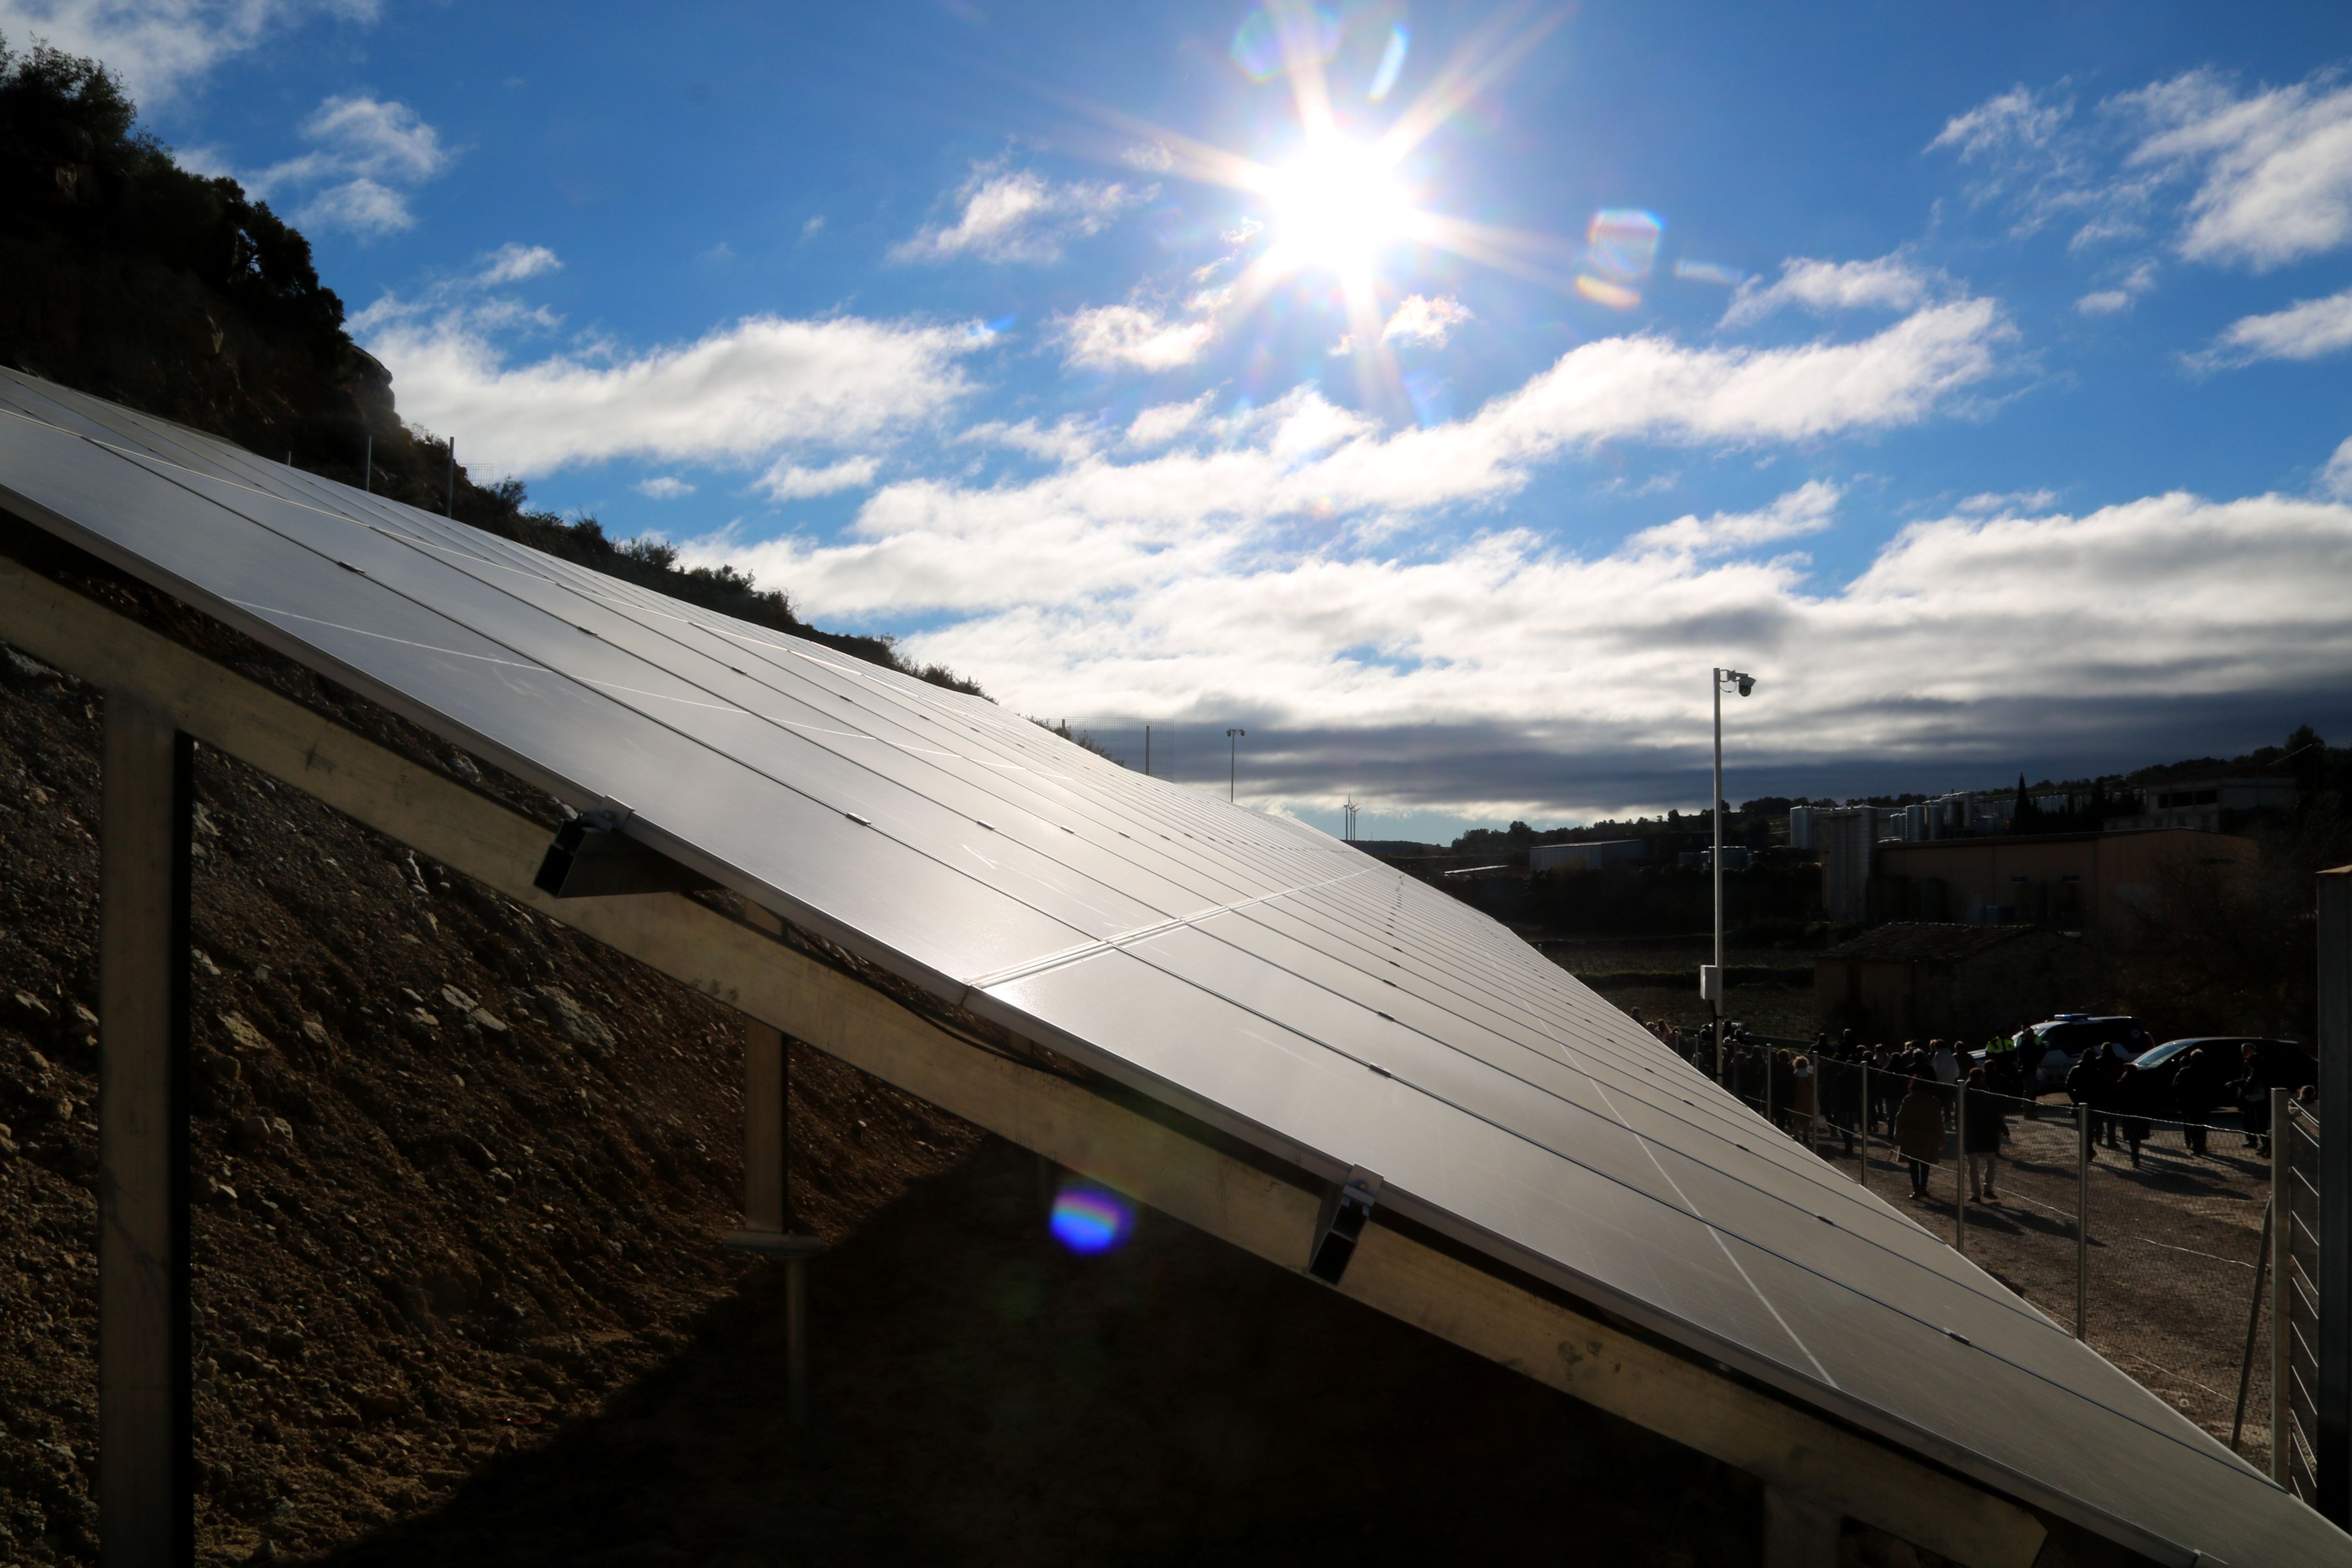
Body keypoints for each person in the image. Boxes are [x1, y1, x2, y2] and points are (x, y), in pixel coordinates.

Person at [1896, 1075, 1947, 1201]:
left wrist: (1897, 1135)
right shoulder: (1934, 1101)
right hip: (1928, 1136)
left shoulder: (1909, 1100)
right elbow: (1939, 1122)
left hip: (1911, 1136)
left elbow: (1900, 1118)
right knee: (1925, 1163)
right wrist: (1942, 1138)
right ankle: (1923, 1188)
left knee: (1913, 1163)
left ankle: (1916, 1189)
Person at [1961, 1066, 2005, 1202]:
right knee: (1990, 1162)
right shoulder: (1987, 1094)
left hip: (1970, 1134)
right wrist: (2003, 1129)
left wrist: (1960, 1133)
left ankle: (1976, 1193)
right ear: (1982, 1078)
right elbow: (1995, 1114)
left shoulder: (1965, 1094)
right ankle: (1988, 1188)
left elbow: (1959, 1115)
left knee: (1973, 1166)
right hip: (1988, 1134)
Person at [1790, 1053, 1818, 1150]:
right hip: (1809, 1099)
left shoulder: (1794, 1076)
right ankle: (1806, 1135)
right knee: (1807, 1119)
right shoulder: (1811, 1076)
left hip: (1798, 1099)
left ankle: (1796, 1134)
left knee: (1797, 1118)